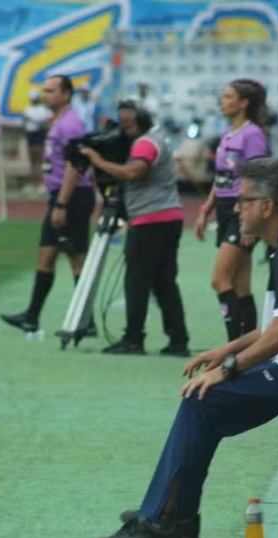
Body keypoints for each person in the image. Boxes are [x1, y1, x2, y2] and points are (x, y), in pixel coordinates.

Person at [91, 157, 278, 538]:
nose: (235, 207)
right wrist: (226, 350)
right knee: (203, 401)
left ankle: (165, 523)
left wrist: (227, 371)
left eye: (243, 200)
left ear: (267, 206)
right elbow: (273, 326)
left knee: (203, 401)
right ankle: (175, 517)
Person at [79, 101, 191, 356]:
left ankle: (133, 339)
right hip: (169, 216)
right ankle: (178, 340)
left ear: (140, 122)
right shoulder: (158, 138)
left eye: (128, 124)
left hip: (150, 218)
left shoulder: (145, 143)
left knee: (136, 281)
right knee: (164, 282)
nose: (124, 130)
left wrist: (98, 160)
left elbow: (134, 172)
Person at [0, 75, 97, 334]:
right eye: (44, 91)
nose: (45, 95)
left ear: (66, 94)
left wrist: (62, 204)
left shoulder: (71, 125)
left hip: (72, 197)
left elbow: (74, 167)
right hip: (60, 196)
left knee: (76, 258)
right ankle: (32, 316)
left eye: (51, 91)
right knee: (46, 254)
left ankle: (87, 321)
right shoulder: (59, 122)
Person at [194, 79, 270, 342]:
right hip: (226, 209)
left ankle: (233, 347)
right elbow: (222, 176)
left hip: (242, 212)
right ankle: (249, 346)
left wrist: (250, 217)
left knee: (220, 280)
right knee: (239, 284)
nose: (222, 102)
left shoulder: (253, 135)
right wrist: (206, 209)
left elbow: (258, 176)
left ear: (244, 103)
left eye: (228, 97)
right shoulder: (228, 134)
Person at [23, 89, 52, 193]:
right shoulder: (27, 109)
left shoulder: (44, 110)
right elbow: (25, 123)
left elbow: (47, 123)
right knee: (32, 161)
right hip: (30, 135)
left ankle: (42, 183)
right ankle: (32, 183)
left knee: (41, 160)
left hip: (40, 135)